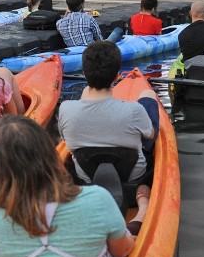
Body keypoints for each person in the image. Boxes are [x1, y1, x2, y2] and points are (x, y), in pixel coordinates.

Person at [0, 116, 135, 257]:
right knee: (134, 227)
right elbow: (122, 251)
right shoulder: (98, 198)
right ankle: (141, 208)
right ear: (50, 154)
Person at [58, 41, 158, 233]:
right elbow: (151, 135)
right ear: (117, 75)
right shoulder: (134, 110)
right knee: (147, 96)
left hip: (85, 174)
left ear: (85, 75)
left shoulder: (66, 109)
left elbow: (65, 141)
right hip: (133, 175)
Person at [56, 0, 123, 46]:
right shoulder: (88, 18)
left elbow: (65, 19)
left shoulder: (59, 23)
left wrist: (67, 12)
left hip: (74, 51)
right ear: (82, 5)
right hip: (91, 51)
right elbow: (99, 40)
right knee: (118, 30)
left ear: (68, 6)